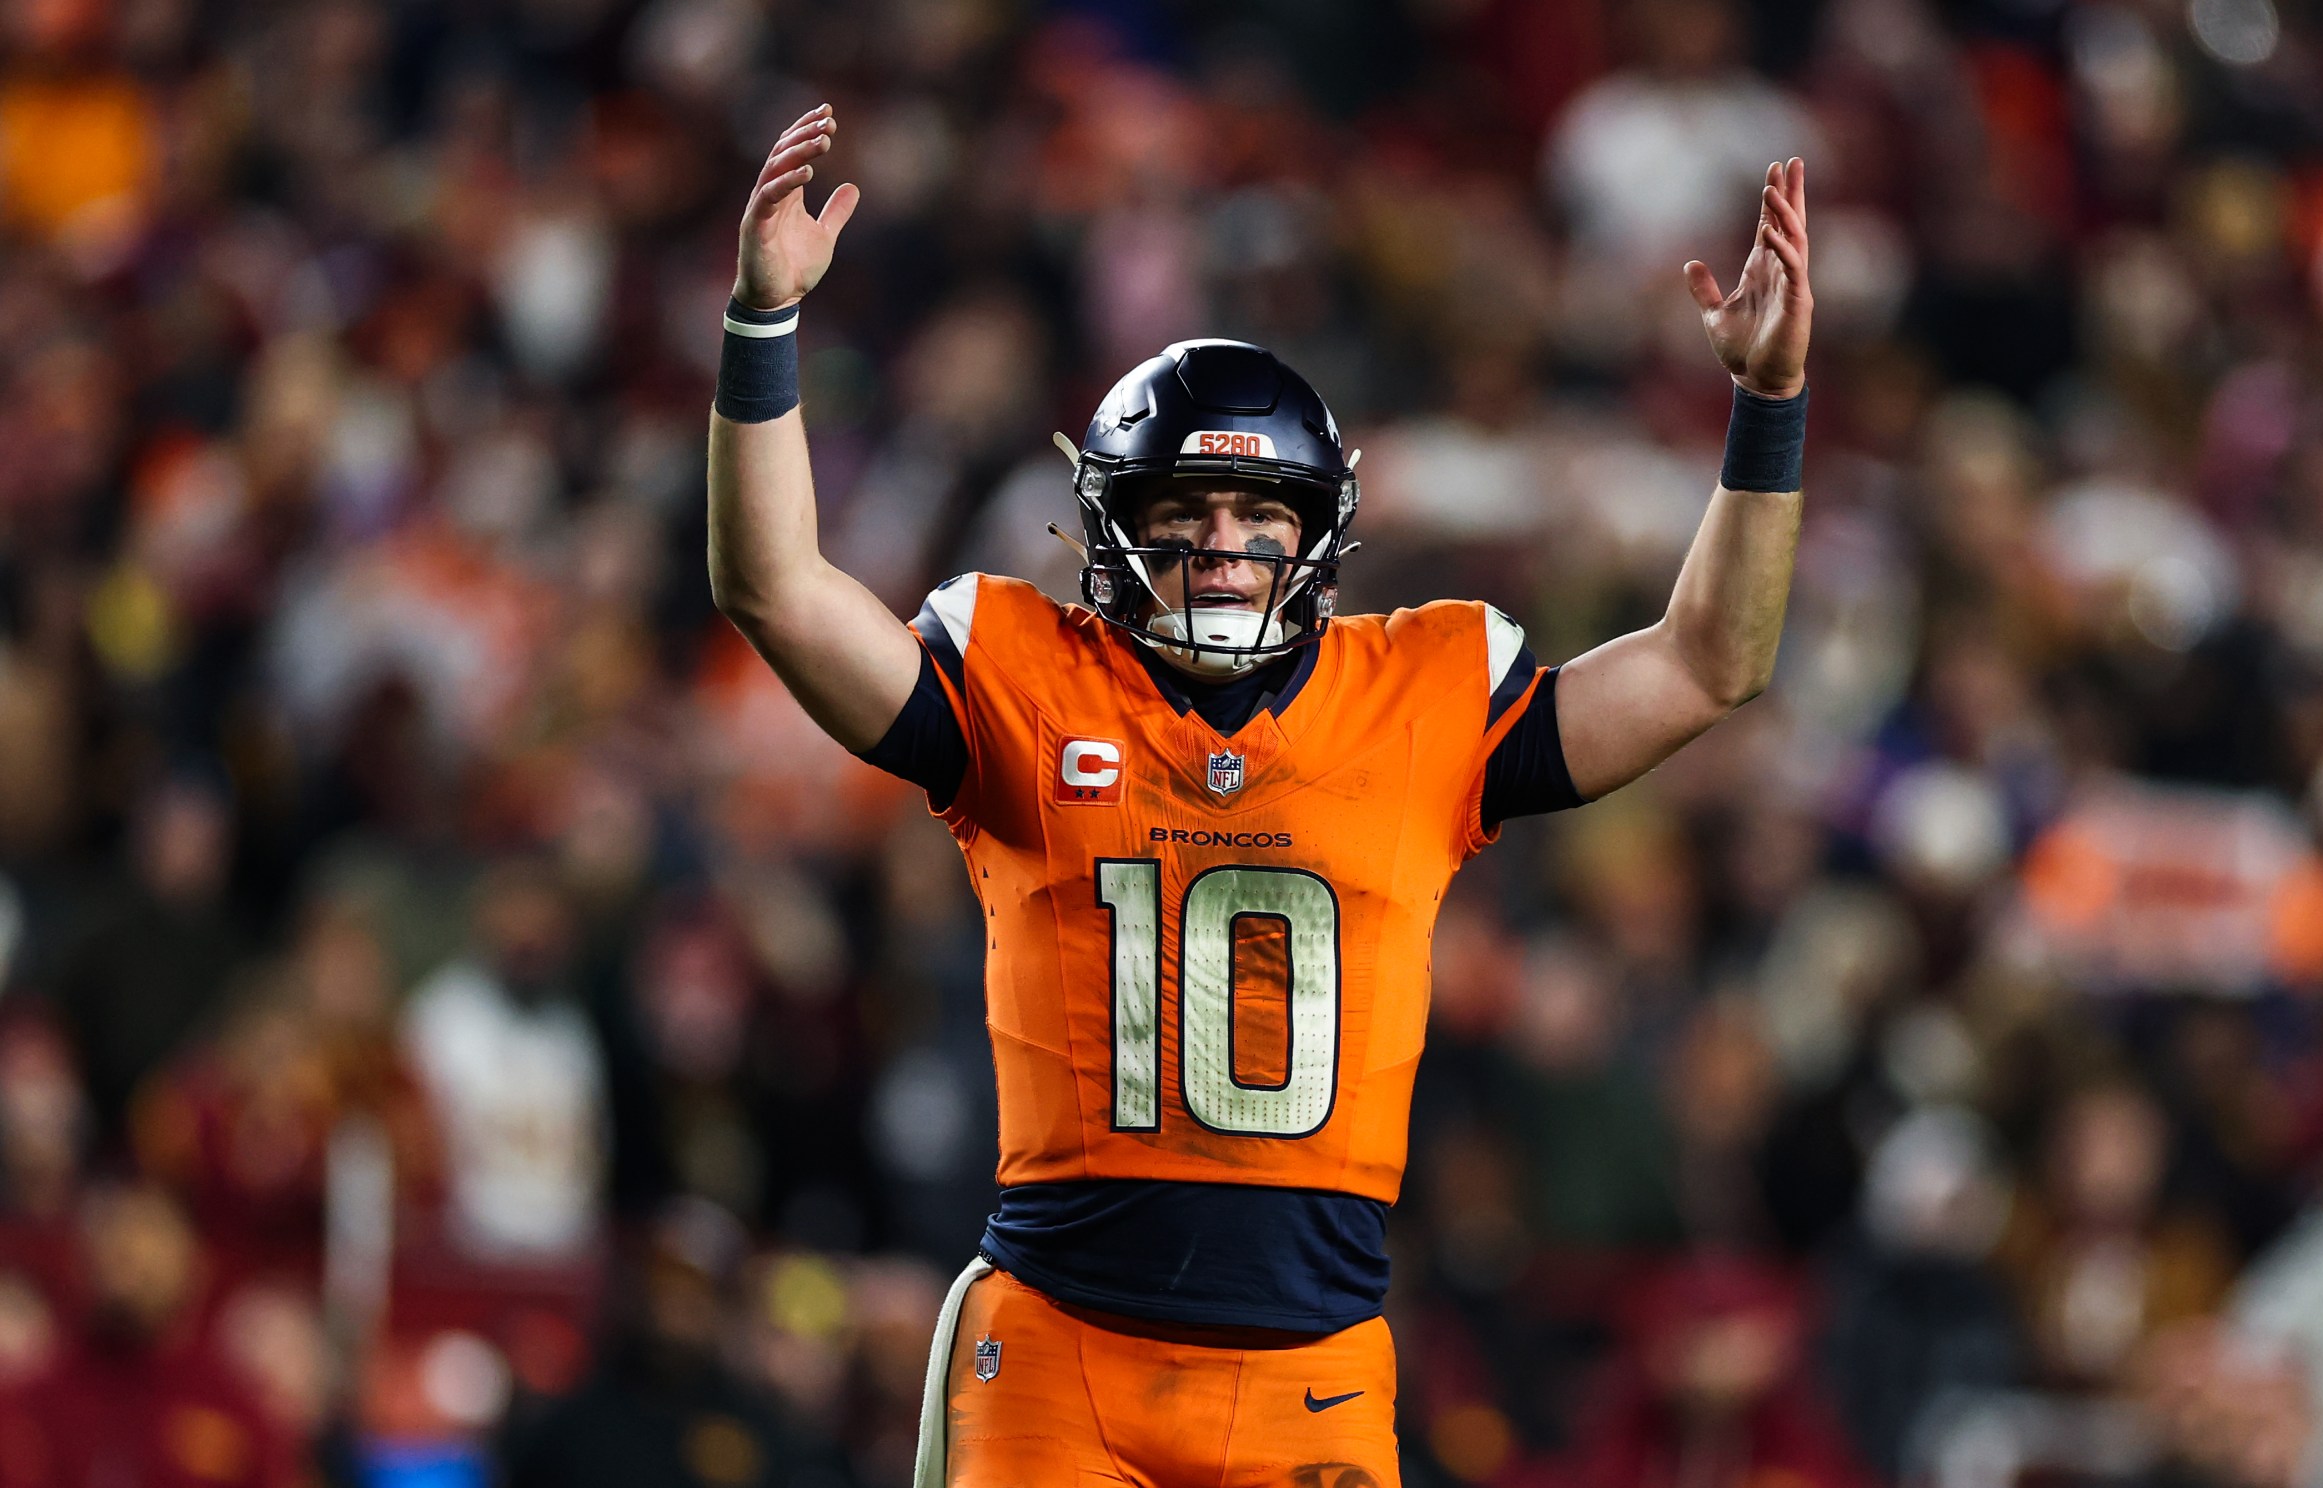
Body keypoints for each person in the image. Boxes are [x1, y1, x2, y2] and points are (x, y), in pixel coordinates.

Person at [706, 105, 1811, 1488]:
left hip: (1313, 1366)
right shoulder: (1023, 675)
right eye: (1182, 514)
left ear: (1317, 535)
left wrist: (1767, 410)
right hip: (1059, 1349)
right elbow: (776, 589)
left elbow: (1715, 663)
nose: (1222, 549)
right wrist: (761, 328)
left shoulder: (1424, 690)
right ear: (1113, 524)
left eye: (1259, 518)